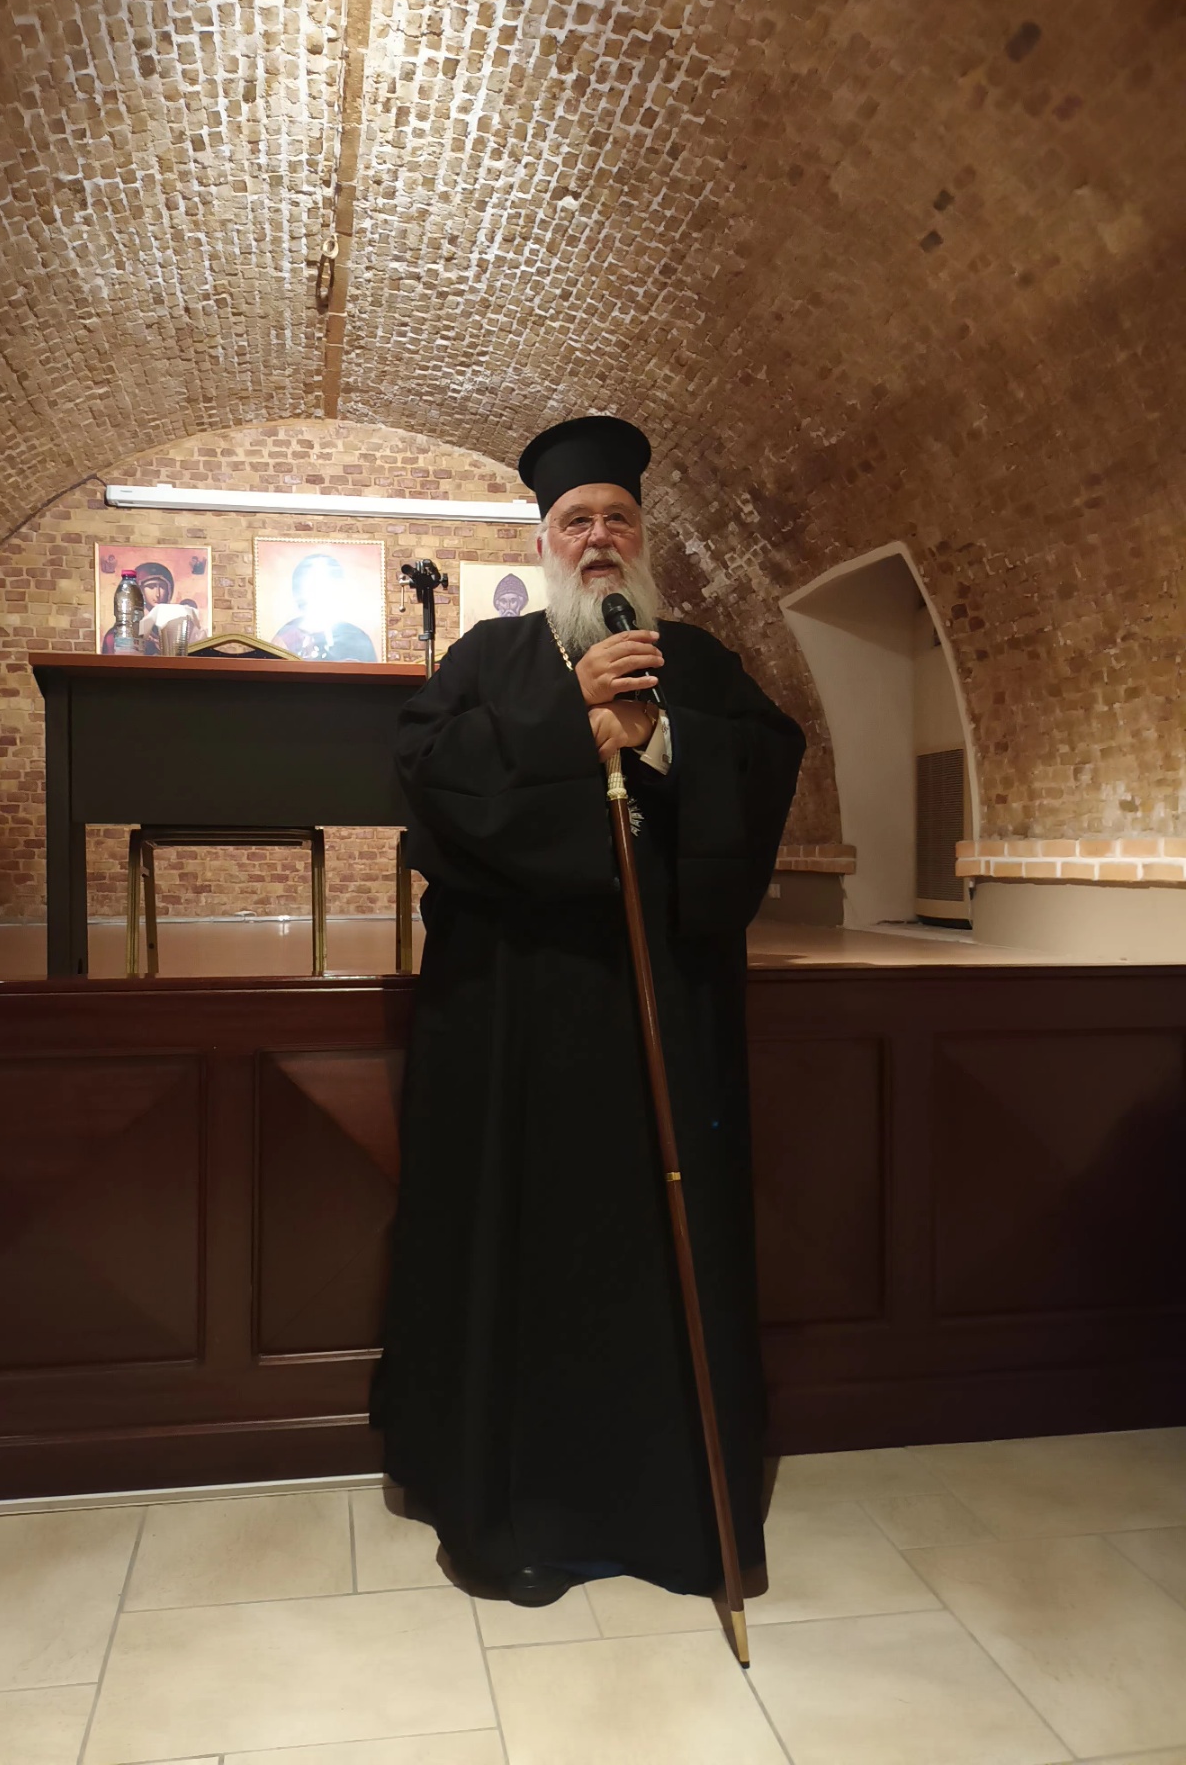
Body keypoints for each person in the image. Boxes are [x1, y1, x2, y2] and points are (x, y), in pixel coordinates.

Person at [372, 415, 806, 1609]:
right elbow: (430, 783)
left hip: (659, 1018)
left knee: (657, 1261)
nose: (599, 536)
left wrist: (660, 739)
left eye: (618, 517)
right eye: (577, 520)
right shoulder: (489, 659)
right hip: (515, 1029)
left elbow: (770, 759)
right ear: (545, 542)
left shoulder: (695, 663)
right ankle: (514, 1510)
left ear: (643, 538)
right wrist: (572, 725)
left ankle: (666, 1511)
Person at [271, 552, 378, 661]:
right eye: (312, 582)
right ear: (299, 588)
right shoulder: (286, 637)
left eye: (326, 581)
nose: (319, 590)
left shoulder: (357, 638)